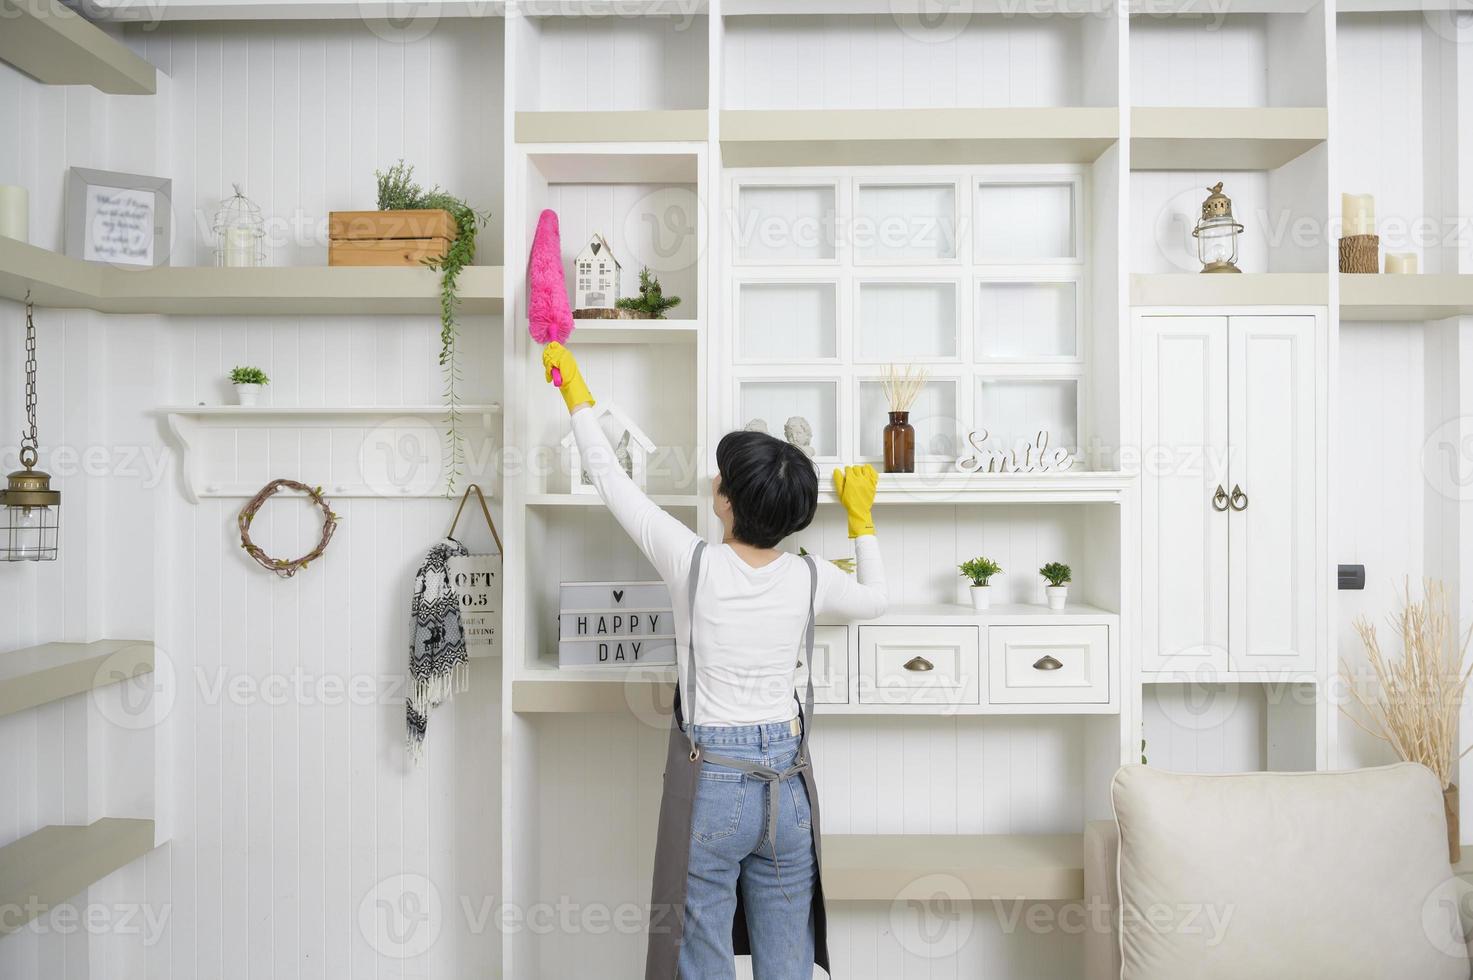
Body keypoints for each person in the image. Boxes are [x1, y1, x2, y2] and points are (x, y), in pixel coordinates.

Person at [541, 342, 888, 980]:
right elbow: (876, 600)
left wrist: (576, 396)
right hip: (790, 784)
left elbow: (611, 480)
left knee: (701, 959)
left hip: (714, 783)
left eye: (721, 479)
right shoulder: (810, 577)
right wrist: (862, 520)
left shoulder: (692, 562)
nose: (713, 483)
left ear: (728, 503)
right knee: (788, 965)